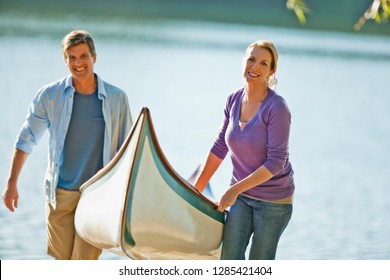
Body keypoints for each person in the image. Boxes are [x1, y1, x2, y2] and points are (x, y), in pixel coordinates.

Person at [2, 30, 133, 260]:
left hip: (96, 196)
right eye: (72, 58)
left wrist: (127, 199)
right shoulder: (49, 96)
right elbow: (26, 139)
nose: (78, 63)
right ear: (65, 61)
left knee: (83, 264)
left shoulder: (117, 99)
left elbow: (128, 151)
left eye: (83, 56)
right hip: (59, 194)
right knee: (62, 262)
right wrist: (12, 183)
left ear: (94, 57)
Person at [194, 40, 294, 260]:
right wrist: (196, 190)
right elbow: (220, 145)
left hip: (273, 202)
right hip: (241, 197)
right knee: (229, 260)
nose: (255, 66)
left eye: (263, 63)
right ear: (243, 62)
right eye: (251, 59)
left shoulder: (277, 108)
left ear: (271, 72)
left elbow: (276, 162)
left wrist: (233, 190)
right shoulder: (233, 99)